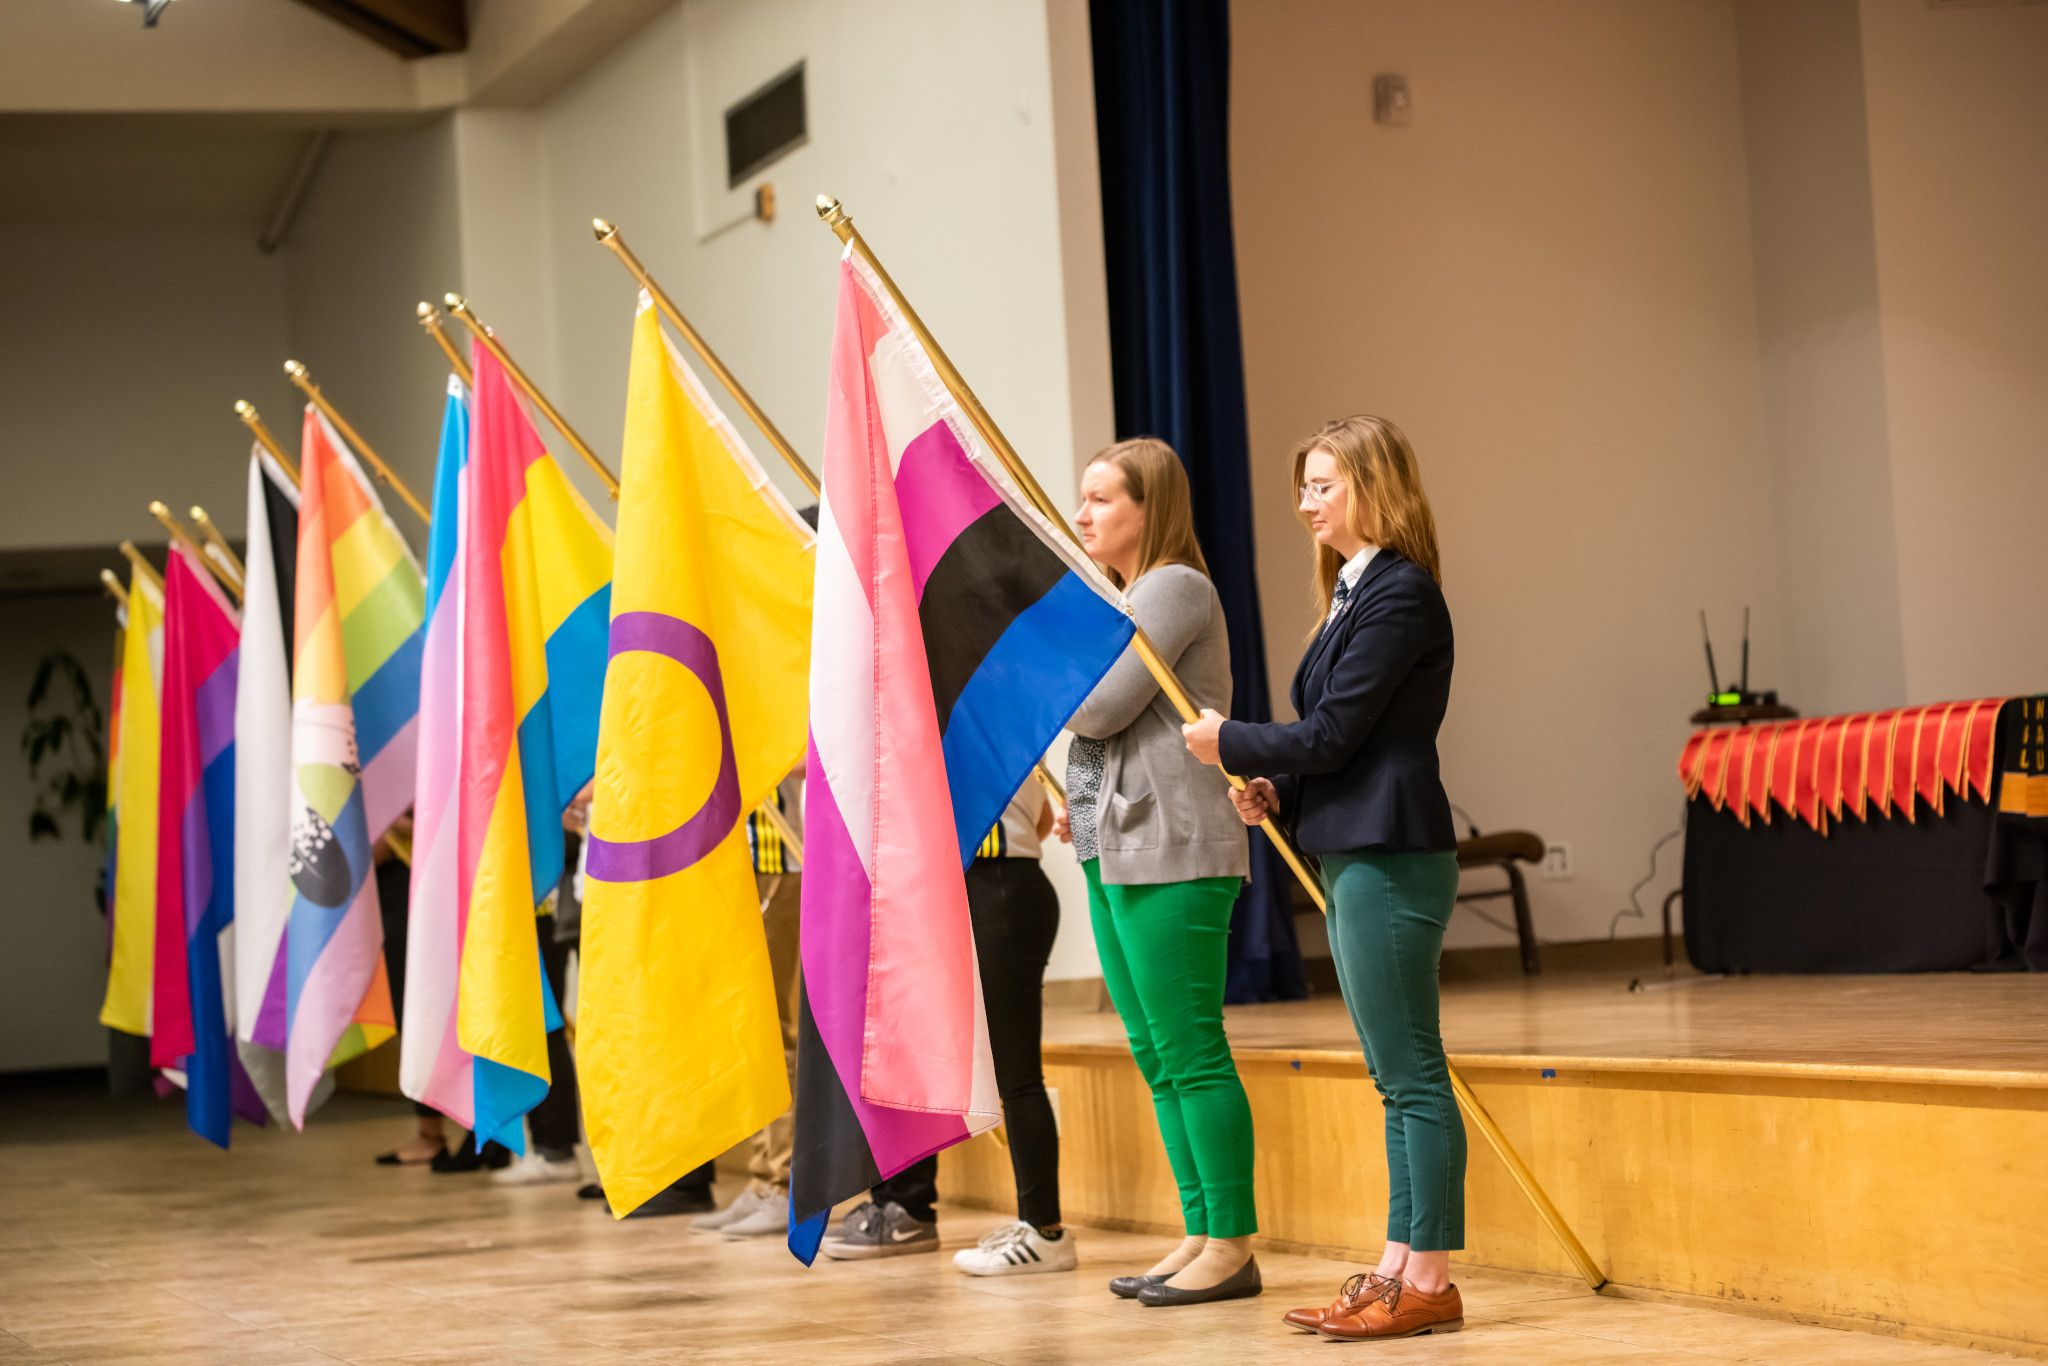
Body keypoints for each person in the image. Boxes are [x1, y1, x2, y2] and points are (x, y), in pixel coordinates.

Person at [1182, 415, 1465, 1341]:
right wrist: (1277, 786)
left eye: (1325, 485)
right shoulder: (1353, 591)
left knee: (1414, 1072)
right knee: (1395, 1076)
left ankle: (1430, 1278)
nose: (1307, 502)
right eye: (1303, 485)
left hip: (1391, 853)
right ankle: (1395, 1265)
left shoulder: (1402, 594)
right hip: (1353, 846)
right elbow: (1341, 742)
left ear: (1375, 487)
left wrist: (1231, 740)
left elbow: (1339, 733)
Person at [1057, 437, 1257, 1308]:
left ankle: (1236, 1242)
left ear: (1150, 508)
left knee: (1191, 1049)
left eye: (1102, 499)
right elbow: (1097, 728)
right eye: (1084, 497)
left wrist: (1045, 674)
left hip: (1175, 846)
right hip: (1117, 845)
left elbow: (1099, 707)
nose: (1083, 514)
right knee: (1155, 1054)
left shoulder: (1174, 586)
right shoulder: (1125, 598)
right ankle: (1203, 1229)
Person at [820, 782, 1076, 1277]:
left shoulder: (968, 720)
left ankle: (1044, 1229)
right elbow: (1041, 819)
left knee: (1017, 1074)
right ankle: (1021, 1224)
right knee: (966, 1063)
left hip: (996, 887)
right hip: (996, 886)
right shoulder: (986, 716)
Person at [691, 777, 804, 1239]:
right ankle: (764, 1173)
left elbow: (799, 750)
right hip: (742, 860)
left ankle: (784, 1182)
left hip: (784, 859)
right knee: (750, 1027)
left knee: (775, 1030)